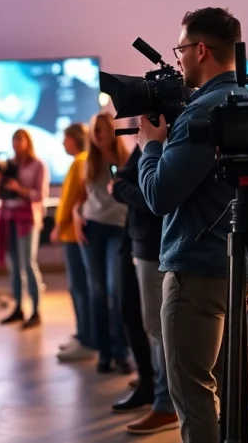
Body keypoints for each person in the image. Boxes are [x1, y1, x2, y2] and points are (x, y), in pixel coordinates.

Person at [137, 7, 248, 443]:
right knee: (233, 390)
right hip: (240, 264)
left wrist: (150, 147)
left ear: (202, 49)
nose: (181, 59)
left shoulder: (200, 114)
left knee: (192, 393)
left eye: (183, 49)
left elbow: (158, 196)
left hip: (195, 270)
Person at [111, 144, 178, 435]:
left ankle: (166, 404)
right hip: (144, 243)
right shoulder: (148, 142)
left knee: (159, 327)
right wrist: (126, 189)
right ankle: (162, 397)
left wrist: (125, 191)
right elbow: (123, 182)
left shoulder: (165, 139)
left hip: (155, 245)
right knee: (154, 326)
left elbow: (155, 197)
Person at [73, 112, 130, 374]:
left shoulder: (126, 158)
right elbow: (79, 198)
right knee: (97, 291)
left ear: (111, 130)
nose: (97, 135)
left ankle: (121, 351)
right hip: (93, 228)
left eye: (101, 129)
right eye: (93, 130)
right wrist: (76, 217)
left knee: (115, 290)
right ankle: (104, 352)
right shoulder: (87, 162)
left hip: (118, 228)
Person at [51, 123, 97, 362]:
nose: (62, 143)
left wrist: (58, 225)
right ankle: (82, 335)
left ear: (74, 139)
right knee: (79, 287)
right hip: (74, 232)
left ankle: (87, 339)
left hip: (72, 234)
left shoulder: (79, 161)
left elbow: (70, 198)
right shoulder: (84, 160)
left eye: (65, 138)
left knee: (80, 287)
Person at [0, 129, 49, 328]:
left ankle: (36, 311)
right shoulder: (8, 165)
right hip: (8, 218)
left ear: (28, 141)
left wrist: (19, 189)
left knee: (28, 264)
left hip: (27, 219)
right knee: (14, 267)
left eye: (20, 139)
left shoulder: (38, 165)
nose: (16, 143)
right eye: (14, 139)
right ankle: (18, 307)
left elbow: (39, 195)